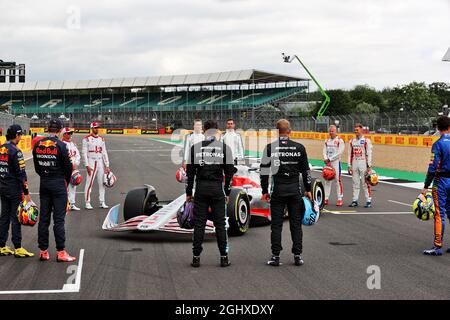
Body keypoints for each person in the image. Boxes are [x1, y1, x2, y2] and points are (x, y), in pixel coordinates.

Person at [260, 119, 312, 267]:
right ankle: (297, 255)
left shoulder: (270, 148)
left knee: (276, 225)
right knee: (295, 224)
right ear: (290, 131)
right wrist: (308, 189)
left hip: (278, 190)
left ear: (277, 131)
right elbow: (306, 171)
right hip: (294, 190)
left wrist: (264, 190)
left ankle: (275, 256)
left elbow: (264, 171)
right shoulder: (299, 147)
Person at [186, 120, 235, 268]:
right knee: (220, 224)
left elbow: (189, 175)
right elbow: (230, 174)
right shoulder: (225, 148)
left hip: (201, 188)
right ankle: (224, 257)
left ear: (205, 130)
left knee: (199, 223)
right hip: (217, 189)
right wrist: (227, 192)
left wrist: (189, 193)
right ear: (217, 131)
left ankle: (196, 257)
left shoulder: (195, 148)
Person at [33, 119, 75, 262]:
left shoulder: (37, 144)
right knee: (59, 220)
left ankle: (43, 251)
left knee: (44, 219)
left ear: (47, 129)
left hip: (44, 183)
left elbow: (37, 167)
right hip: (58, 183)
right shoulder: (62, 145)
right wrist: (65, 182)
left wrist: (46, 176)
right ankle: (61, 252)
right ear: (59, 130)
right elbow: (68, 168)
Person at [0, 125, 34, 258]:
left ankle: (2, 246)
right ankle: (18, 247)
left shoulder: (1, 148)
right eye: (20, 135)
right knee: (16, 218)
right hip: (14, 189)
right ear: (17, 135)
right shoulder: (16, 151)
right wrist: (26, 193)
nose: (20, 138)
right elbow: (22, 174)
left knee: (4, 217)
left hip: (2, 187)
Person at [422, 116, 450, 256]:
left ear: (437, 128)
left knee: (439, 214)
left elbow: (433, 167)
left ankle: (437, 246)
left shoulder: (437, 144)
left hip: (441, 181)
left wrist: (426, 185)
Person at [82, 122, 110, 210]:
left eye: (97, 127)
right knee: (89, 183)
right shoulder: (86, 139)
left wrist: (107, 165)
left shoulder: (102, 139)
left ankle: (102, 201)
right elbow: (84, 153)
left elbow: (104, 152)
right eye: (95, 128)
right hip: (91, 161)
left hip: (100, 162)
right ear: (91, 128)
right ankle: (87, 202)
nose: (97, 129)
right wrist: (86, 165)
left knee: (102, 183)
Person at [348, 124, 373, 208]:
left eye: (357, 130)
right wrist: (349, 165)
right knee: (355, 183)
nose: (356, 131)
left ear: (361, 130)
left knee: (365, 183)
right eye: (355, 130)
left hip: (363, 163)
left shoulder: (366, 141)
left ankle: (368, 200)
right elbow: (350, 154)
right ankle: (355, 200)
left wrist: (369, 165)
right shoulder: (352, 141)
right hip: (355, 162)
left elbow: (369, 153)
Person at [322, 125, 345, 206]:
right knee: (327, 180)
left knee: (337, 180)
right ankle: (326, 198)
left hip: (336, 162)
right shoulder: (326, 140)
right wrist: (325, 159)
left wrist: (330, 159)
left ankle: (339, 198)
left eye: (333, 131)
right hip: (328, 163)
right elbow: (324, 151)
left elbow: (339, 153)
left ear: (336, 132)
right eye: (330, 131)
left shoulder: (340, 141)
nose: (331, 132)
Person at [61, 127, 81, 211]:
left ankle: (72, 204)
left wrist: (76, 164)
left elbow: (78, 155)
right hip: (65, 169)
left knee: (73, 185)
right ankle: (64, 204)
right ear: (64, 134)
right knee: (64, 187)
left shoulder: (73, 144)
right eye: (69, 133)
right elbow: (61, 158)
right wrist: (69, 165)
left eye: (71, 133)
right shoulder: (61, 144)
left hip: (73, 169)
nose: (70, 135)